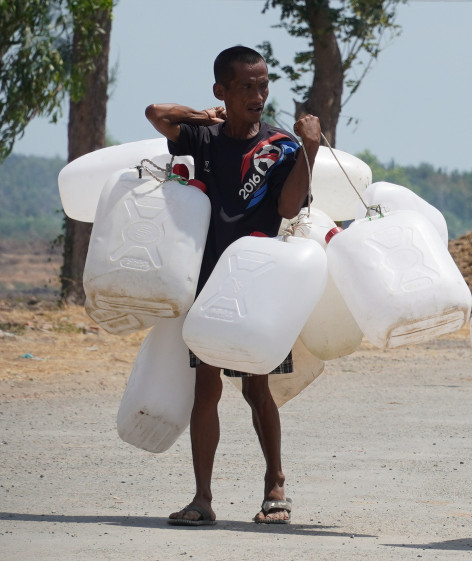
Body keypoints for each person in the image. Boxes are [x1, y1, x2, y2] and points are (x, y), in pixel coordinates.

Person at [145, 45, 321, 526]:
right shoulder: (203, 138)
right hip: (208, 282)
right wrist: (202, 114)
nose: (259, 95)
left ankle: (276, 486)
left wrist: (310, 147)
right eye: (246, 86)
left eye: (264, 85)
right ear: (222, 90)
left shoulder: (282, 146)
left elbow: (287, 208)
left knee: (256, 389)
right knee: (207, 391)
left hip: (258, 283)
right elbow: (156, 113)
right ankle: (202, 499)